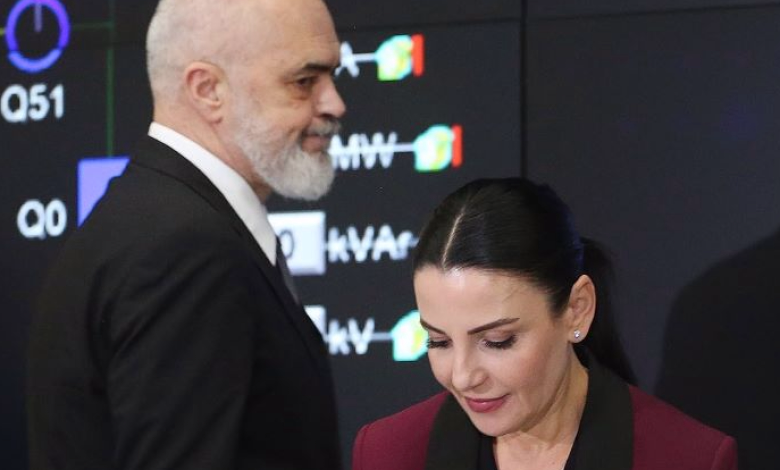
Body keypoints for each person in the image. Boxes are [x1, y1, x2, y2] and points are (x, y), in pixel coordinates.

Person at [26, 0, 345, 469]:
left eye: (333, 76)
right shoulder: (184, 251)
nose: (335, 104)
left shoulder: (157, 220)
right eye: (304, 81)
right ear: (208, 89)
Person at [352, 178, 738, 470]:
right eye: (438, 341)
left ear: (577, 309)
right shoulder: (387, 453)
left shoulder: (689, 459)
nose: (463, 376)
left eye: (498, 340)